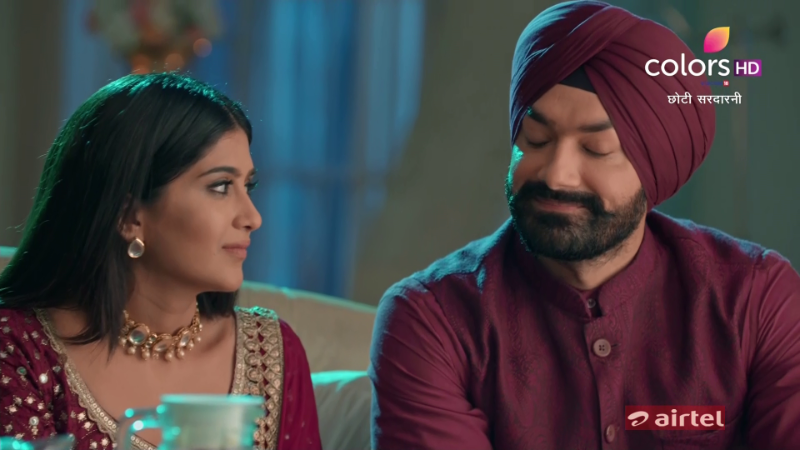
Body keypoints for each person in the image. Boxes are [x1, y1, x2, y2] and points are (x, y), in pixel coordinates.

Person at [368, 1, 800, 449]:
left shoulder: (754, 302)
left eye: (596, 150)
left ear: (654, 171)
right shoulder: (433, 320)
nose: (556, 175)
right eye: (536, 139)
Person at [0, 73, 322, 450]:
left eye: (247, 186)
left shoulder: (271, 355)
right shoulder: (20, 349)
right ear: (129, 216)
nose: (253, 217)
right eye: (220, 186)